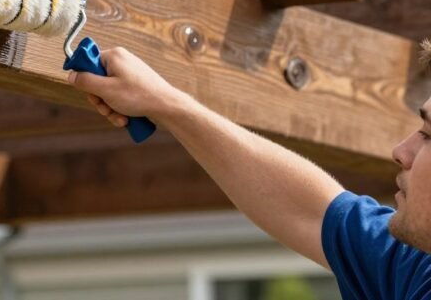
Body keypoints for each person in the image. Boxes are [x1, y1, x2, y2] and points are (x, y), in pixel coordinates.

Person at [67, 39, 431, 300]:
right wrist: (166, 104)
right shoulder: (417, 270)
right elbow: (311, 211)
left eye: (428, 135)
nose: (402, 151)